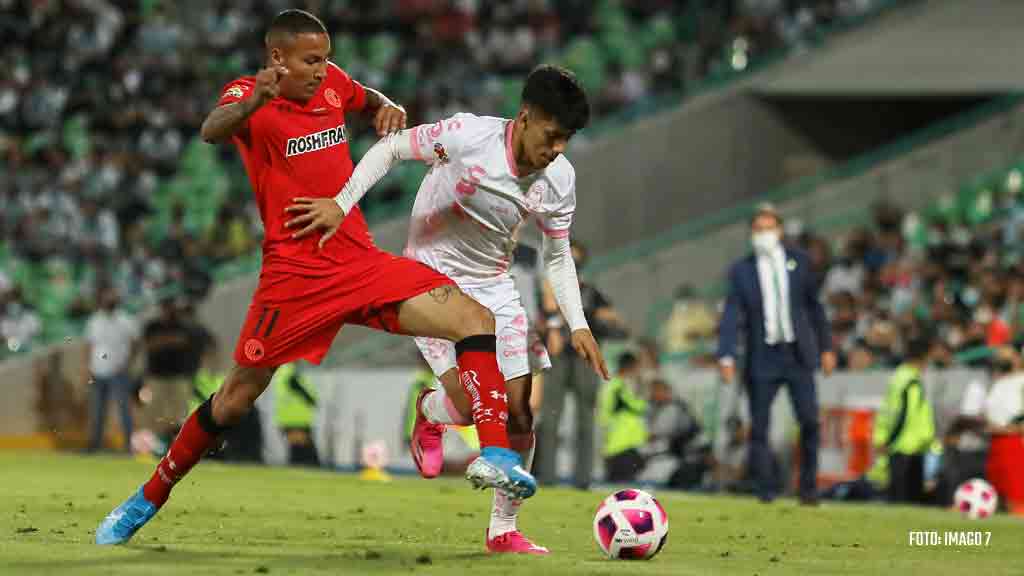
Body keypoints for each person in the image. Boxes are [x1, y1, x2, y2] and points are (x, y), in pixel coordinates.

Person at [97, 9, 536, 545]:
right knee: (234, 399)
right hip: (295, 279)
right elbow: (213, 129)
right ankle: (149, 496)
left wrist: (387, 106)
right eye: (310, 60)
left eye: (325, 58)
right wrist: (256, 99)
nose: (321, 69)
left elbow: (363, 95)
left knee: (475, 318)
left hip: (359, 260)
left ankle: (494, 452)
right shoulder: (249, 94)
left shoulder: (330, 84)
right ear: (277, 58)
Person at [284, 64, 608, 555]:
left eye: (566, 139)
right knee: (469, 404)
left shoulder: (559, 178)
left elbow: (558, 253)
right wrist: (342, 202)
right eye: (552, 135)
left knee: (519, 411)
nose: (557, 148)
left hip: (495, 287)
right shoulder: (465, 136)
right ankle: (430, 410)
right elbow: (393, 149)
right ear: (524, 118)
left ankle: (503, 529)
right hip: (431, 279)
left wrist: (577, 323)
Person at [717, 204, 835, 505]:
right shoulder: (741, 270)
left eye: (769, 228)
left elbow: (814, 307)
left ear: (780, 231)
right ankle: (765, 490)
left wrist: (827, 347)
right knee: (760, 427)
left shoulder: (800, 262)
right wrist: (727, 355)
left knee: (809, 420)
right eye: (758, 229)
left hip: (797, 353)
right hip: (762, 354)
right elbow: (732, 314)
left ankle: (808, 489)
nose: (763, 235)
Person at [535, 240, 625, 490]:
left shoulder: (589, 291)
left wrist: (595, 316)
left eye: (577, 258)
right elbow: (539, 317)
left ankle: (583, 479)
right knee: (550, 417)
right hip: (557, 356)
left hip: (584, 357)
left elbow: (611, 315)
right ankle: (547, 477)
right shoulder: (548, 287)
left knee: (585, 419)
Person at [872, 335, 937, 504]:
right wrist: (890, 441)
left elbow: (891, 412)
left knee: (898, 500)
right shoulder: (911, 382)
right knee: (906, 502)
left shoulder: (899, 377)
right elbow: (904, 416)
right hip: (907, 448)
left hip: (901, 446)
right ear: (923, 357)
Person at [83, 287, 140, 453]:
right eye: (107, 296)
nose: (109, 299)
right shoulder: (94, 320)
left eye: (112, 296)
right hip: (97, 370)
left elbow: (136, 343)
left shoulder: (126, 320)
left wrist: (127, 363)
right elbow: (89, 345)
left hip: (118, 371)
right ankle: (95, 444)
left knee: (124, 409)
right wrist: (86, 367)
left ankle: (129, 446)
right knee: (97, 410)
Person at [598, 352, 648, 483]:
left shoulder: (614, 384)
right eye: (637, 367)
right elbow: (638, 407)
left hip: (620, 442)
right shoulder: (618, 387)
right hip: (622, 443)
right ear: (630, 367)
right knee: (621, 485)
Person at [272, 362, 319, 466]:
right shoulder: (290, 373)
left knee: (297, 450)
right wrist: (312, 400)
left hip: (290, 418)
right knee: (304, 452)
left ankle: (294, 471)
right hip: (296, 420)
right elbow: (301, 390)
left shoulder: (283, 372)